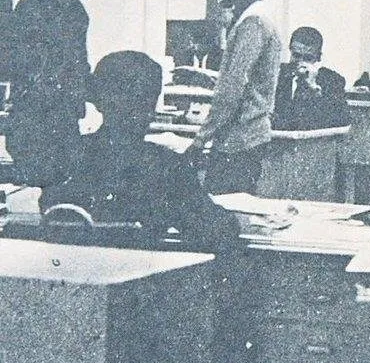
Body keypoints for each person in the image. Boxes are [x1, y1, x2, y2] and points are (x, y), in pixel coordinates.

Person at [40, 51, 241, 252]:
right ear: (151, 107)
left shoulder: (67, 157)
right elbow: (219, 231)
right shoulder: (167, 168)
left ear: (98, 101)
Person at [6, 0, 110, 187]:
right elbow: (71, 75)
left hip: (24, 128)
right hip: (53, 133)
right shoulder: (71, 9)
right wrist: (109, 96)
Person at [186, 0, 282, 194]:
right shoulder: (253, 16)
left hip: (239, 141)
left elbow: (231, 91)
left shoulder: (252, 22)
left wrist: (199, 140)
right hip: (243, 138)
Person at [273, 26, 350, 131]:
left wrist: (314, 89)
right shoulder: (276, 74)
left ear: (318, 57)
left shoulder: (332, 80)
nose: (301, 62)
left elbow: (342, 121)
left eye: (308, 58)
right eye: (296, 56)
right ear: (290, 51)